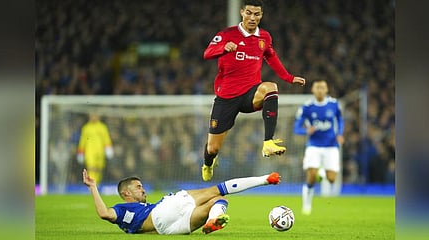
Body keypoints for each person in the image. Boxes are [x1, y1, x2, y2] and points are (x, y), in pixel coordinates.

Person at [201, 0, 306, 181]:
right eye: (249, 13)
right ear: (242, 12)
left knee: (271, 88)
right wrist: (223, 48)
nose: (252, 18)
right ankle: (208, 163)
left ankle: (268, 142)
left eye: (256, 14)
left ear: (261, 16)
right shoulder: (227, 34)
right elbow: (207, 53)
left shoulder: (264, 37)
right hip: (227, 97)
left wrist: (288, 77)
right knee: (213, 148)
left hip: (250, 93)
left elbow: (271, 57)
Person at [82, 168, 280, 234]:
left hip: (170, 229)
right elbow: (104, 213)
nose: (142, 189)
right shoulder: (124, 208)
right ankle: (265, 179)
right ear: (125, 193)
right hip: (162, 211)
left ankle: (213, 220)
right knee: (216, 190)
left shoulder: (127, 217)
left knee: (218, 201)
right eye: (138, 187)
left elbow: (108, 216)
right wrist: (93, 187)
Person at [293, 79, 344, 215]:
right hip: (314, 146)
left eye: (323, 87)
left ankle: (322, 170)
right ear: (313, 90)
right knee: (311, 176)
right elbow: (296, 128)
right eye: (317, 87)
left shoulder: (333, 104)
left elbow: (340, 119)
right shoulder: (307, 107)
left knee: (332, 178)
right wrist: (306, 131)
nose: (320, 90)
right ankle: (306, 205)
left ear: (326, 90)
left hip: (331, 145)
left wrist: (339, 134)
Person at [77, 113, 114, 184]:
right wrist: (80, 153)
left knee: (99, 169)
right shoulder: (86, 127)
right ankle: (92, 186)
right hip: (89, 152)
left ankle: (97, 185)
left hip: (100, 152)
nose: (93, 117)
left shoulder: (102, 127)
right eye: (91, 115)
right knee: (91, 168)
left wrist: (108, 149)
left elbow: (106, 139)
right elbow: (82, 141)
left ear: (98, 116)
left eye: (95, 115)